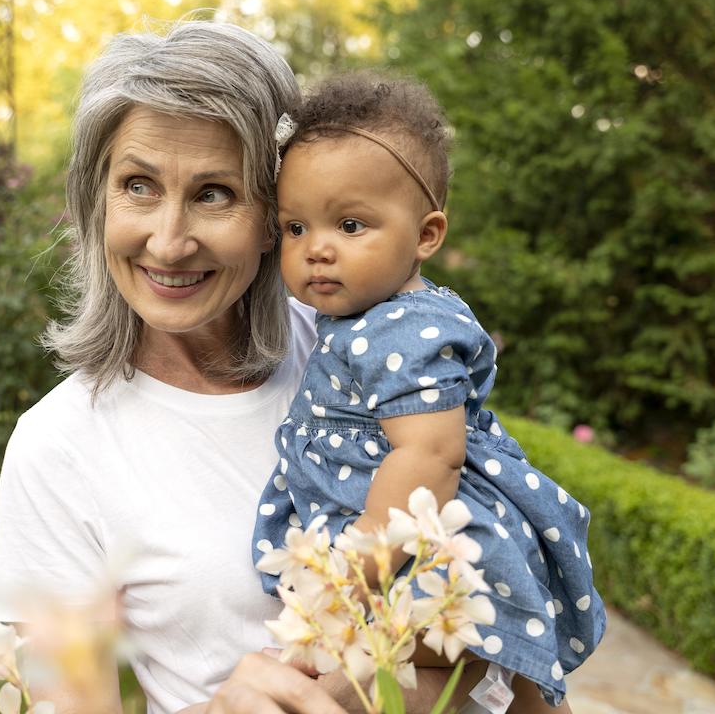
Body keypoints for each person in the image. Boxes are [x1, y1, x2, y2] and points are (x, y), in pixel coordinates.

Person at [0, 22, 475, 714]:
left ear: (275, 214)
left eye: (214, 192)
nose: (168, 240)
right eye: (138, 185)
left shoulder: (367, 350)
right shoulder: (59, 446)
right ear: (99, 200)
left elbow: (487, 570)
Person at [251, 73, 607, 710]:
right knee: (498, 671)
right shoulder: (362, 317)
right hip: (405, 518)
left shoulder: (406, 328)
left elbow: (428, 455)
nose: (317, 250)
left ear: (426, 235)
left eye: (351, 224)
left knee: (415, 663)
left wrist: (362, 566)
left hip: (412, 527)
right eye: (296, 228)